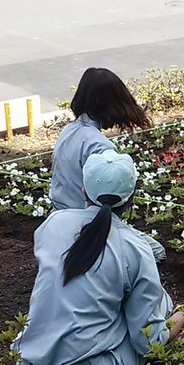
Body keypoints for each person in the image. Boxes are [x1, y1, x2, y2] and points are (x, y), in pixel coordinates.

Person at [15, 151, 184, 365]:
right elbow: (149, 342)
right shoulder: (134, 247)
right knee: (157, 304)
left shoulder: (53, 224)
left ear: (83, 190)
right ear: (132, 198)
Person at [49, 67, 166, 261]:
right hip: (83, 224)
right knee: (155, 252)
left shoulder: (68, 130)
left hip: (57, 216)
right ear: (112, 104)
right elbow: (106, 201)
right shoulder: (98, 146)